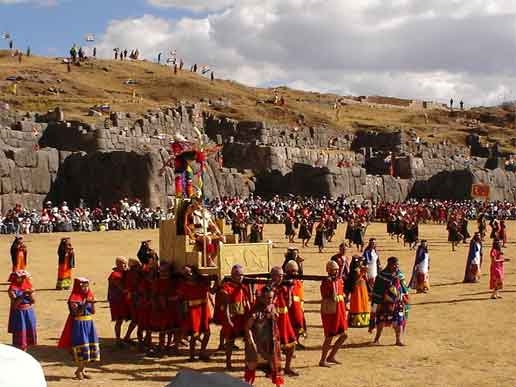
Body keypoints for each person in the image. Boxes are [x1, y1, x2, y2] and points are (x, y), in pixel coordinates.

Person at [58, 278, 100, 380]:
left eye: (87, 286)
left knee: (89, 348)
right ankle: (79, 370)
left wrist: (92, 303)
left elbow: (93, 312)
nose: (85, 288)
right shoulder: (74, 298)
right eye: (83, 286)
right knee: (82, 347)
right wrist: (86, 303)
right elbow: (77, 313)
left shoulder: (89, 295)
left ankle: (82, 370)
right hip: (79, 324)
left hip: (89, 323)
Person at [244, 286, 284, 387]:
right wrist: (251, 343)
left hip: (271, 343)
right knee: (251, 366)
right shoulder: (256, 311)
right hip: (257, 343)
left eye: (270, 298)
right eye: (266, 298)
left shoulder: (273, 308)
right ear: (261, 297)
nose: (268, 300)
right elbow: (247, 328)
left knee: (275, 367)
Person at [369, 257, 410, 346]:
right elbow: (377, 290)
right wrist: (381, 299)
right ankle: (376, 339)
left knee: (399, 320)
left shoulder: (399, 275)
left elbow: (403, 287)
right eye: (394, 264)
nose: (396, 266)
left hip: (397, 303)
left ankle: (398, 340)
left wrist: (403, 297)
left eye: (397, 264)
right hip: (385, 303)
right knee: (381, 321)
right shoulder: (382, 276)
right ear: (389, 264)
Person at [220, 264, 252, 370]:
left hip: (243, 317)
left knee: (248, 340)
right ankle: (228, 363)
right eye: (238, 275)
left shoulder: (244, 286)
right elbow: (226, 306)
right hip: (232, 318)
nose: (241, 277)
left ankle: (248, 362)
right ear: (232, 275)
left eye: (242, 275)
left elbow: (249, 301)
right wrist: (228, 320)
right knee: (230, 341)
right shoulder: (226, 287)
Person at [177, 265, 212, 361]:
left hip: (204, 310)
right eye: (187, 274)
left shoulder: (203, 283)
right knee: (195, 334)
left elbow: (212, 291)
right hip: (193, 313)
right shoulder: (184, 286)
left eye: (191, 272)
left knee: (207, 333)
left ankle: (202, 352)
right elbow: (180, 299)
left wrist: (217, 281)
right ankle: (192, 356)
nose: (190, 275)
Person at [319, 260, 348, 367]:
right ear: (328, 271)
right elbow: (327, 296)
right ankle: (322, 360)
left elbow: (342, 294)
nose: (335, 272)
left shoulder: (339, 281)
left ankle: (331, 356)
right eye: (333, 270)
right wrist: (331, 283)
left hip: (340, 311)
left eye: (336, 270)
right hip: (330, 312)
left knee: (344, 335)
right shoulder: (326, 282)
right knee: (329, 337)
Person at [269, 266, 298, 376]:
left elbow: (289, 304)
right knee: (273, 347)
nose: (281, 278)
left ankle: (287, 367)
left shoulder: (284, 287)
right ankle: (274, 369)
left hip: (285, 318)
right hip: (274, 319)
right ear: (273, 276)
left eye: (282, 276)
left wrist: (290, 290)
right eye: (279, 275)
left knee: (292, 343)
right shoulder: (268, 288)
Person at [184, 197, 225, 267]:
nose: (199, 204)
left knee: (221, 239)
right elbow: (187, 225)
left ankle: (211, 259)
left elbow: (212, 225)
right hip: (197, 234)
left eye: (200, 202)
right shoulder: (191, 212)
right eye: (197, 202)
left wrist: (219, 233)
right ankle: (208, 259)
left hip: (206, 233)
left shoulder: (205, 212)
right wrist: (191, 236)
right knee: (208, 239)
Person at [7, 271, 37, 351]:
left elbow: (33, 301)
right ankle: (21, 349)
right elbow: (15, 304)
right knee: (20, 331)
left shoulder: (28, 287)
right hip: (19, 314)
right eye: (19, 277)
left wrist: (30, 294)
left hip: (28, 312)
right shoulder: (12, 290)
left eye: (23, 277)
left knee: (28, 329)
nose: (21, 279)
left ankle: (26, 348)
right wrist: (23, 295)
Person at [107, 257, 130, 347]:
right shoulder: (115, 275)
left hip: (122, 300)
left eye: (125, 263)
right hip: (117, 301)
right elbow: (122, 288)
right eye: (123, 264)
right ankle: (118, 339)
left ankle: (126, 337)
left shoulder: (123, 273)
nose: (125, 265)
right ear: (118, 264)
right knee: (119, 320)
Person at [284, 260, 307, 348]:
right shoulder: (285, 283)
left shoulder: (298, 282)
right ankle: (290, 343)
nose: (294, 273)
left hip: (298, 307)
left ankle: (296, 341)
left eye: (295, 271)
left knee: (299, 325)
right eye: (292, 271)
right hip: (290, 308)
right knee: (290, 326)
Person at [345, 255, 370, 328]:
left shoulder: (359, 268)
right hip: (357, 290)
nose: (361, 262)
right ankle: (356, 321)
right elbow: (355, 279)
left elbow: (365, 278)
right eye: (360, 261)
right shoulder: (354, 270)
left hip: (362, 288)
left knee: (363, 303)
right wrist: (363, 272)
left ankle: (364, 321)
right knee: (357, 303)